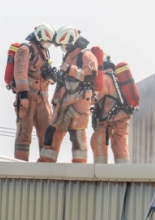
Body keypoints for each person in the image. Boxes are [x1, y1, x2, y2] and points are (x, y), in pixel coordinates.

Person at [38, 25, 95, 163]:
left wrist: (71, 69)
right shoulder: (69, 57)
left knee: (77, 137)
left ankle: (79, 169)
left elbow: (90, 74)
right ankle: (45, 164)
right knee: (51, 135)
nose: (62, 48)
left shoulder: (85, 55)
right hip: (62, 105)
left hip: (78, 106)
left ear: (71, 40)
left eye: (64, 45)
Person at [12, 23, 56, 161]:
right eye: (46, 40)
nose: (48, 44)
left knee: (47, 132)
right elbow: (20, 72)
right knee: (24, 132)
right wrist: (23, 94)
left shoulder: (42, 51)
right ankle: (21, 164)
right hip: (28, 99)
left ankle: (46, 165)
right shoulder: (25, 49)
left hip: (42, 100)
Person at [90, 55, 131, 163]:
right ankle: (123, 172)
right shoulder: (118, 78)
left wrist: (84, 101)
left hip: (109, 119)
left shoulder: (104, 78)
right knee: (120, 144)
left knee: (97, 141)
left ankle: (100, 170)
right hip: (123, 117)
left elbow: (95, 96)